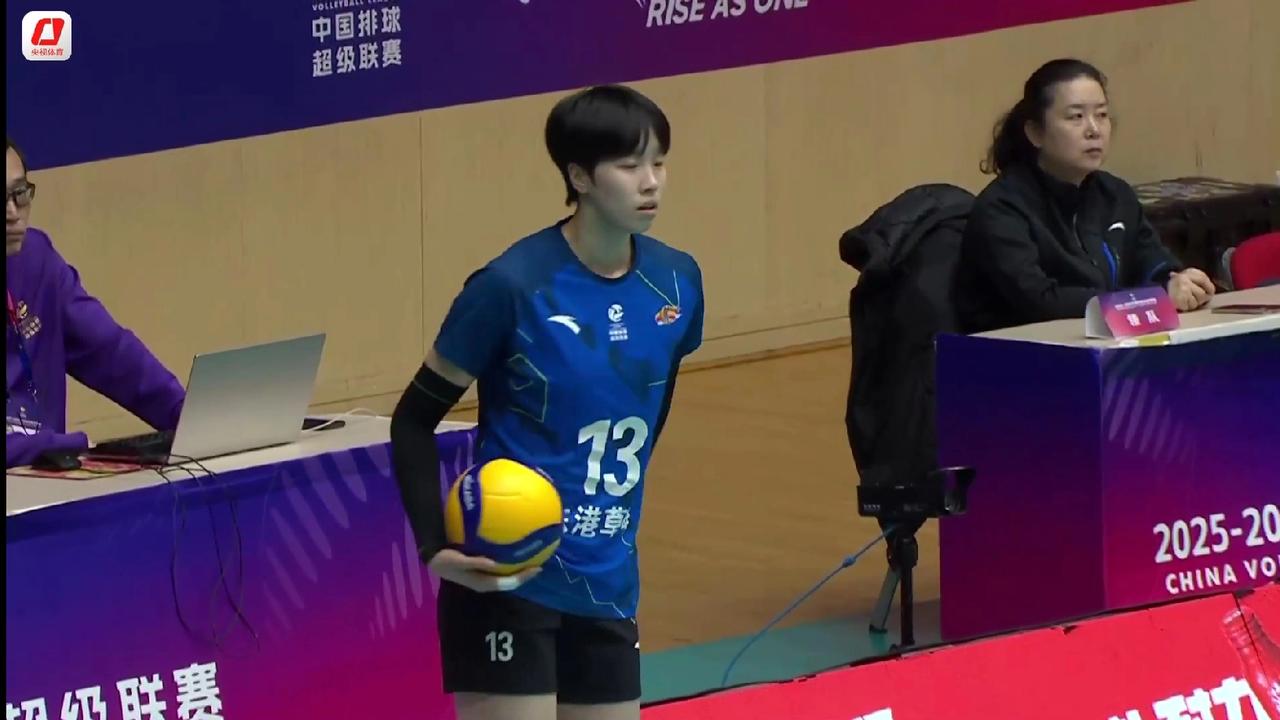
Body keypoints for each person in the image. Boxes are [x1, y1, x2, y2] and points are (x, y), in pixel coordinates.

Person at [389, 85, 704, 720]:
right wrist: (434, 550)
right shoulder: (511, 287)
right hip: (508, 573)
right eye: (629, 165)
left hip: (608, 578)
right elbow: (412, 422)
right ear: (579, 176)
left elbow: (651, 403)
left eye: (659, 162)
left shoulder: (676, 282)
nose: (650, 182)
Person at [955, 59, 1215, 333]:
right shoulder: (1003, 208)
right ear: (1035, 133)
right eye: (1076, 117)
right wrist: (1147, 300)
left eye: (1101, 115)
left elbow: (1151, 261)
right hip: (1022, 350)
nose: (1094, 130)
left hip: (1108, 341)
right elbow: (1039, 301)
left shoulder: (1114, 194)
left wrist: (1178, 281)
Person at [5, 137, 185, 468]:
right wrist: (61, 444)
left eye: (19, 194)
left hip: (43, 480)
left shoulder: (37, 260)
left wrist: (187, 415)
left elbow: (110, 351)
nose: (13, 213)